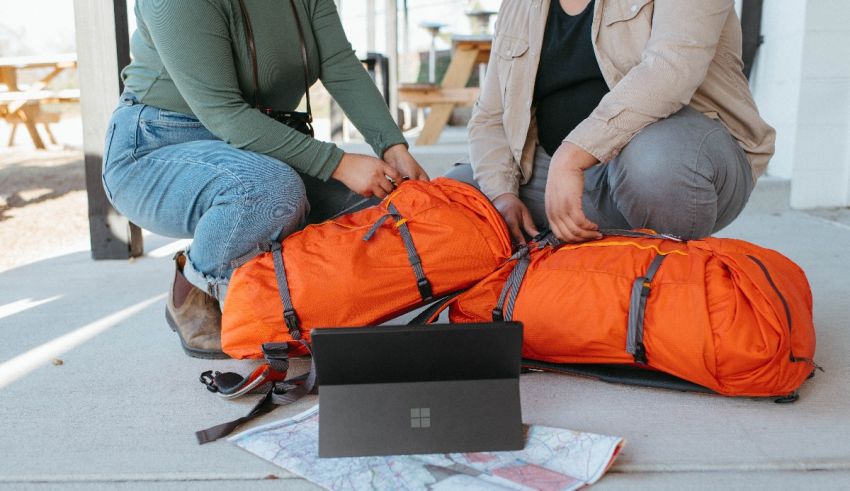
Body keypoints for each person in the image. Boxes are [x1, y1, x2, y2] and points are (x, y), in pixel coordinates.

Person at [102, 0, 427, 359]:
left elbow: (338, 63)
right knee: (270, 191)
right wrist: (338, 163)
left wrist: (392, 147)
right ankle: (193, 286)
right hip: (160, 145)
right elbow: (224, 113)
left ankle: (282, 287)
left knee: (382, 204)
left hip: (260, 140)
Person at [450, 0, 775, 245]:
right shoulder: (519, 5)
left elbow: (672, 69)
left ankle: (668, 278)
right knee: (457, 197)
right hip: (561, 183)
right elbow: (491, 114)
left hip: (677, 165)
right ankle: (580, 257)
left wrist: (573, 155)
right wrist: (502, 195)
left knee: (655, 165)